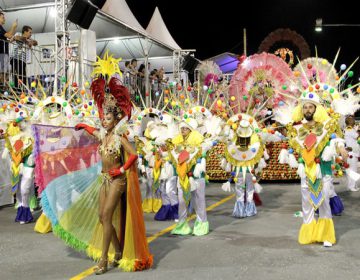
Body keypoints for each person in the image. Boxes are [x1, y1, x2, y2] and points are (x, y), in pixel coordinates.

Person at [41, 53, 152, 274]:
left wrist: (120, 169)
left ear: (116, 119)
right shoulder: (103, 135)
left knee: (107, 215)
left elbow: (134, 156)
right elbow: (93, 131)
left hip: (117, 180)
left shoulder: (120, 137)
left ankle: (104, 260)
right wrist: (83, 125)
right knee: (102, 218)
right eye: (103, 118)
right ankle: (118, 251)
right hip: (103, 179)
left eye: (108, 118)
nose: (104, 121)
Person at [286, 92, 348, 247]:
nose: (307, 110)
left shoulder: (326, 126)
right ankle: (309, 234)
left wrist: (341, 148)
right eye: (305, 107)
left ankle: (326, 235)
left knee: (324, 202)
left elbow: (336, 139)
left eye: (310, 107)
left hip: (323, 170)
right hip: (306, 171)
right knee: (306, 203)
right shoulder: (297, 129)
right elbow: (293, 146)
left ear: (316, 109)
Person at [10, 25, 38, 89]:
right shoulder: (19, 34)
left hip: (23, 60)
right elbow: (17, 38)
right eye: (30, 32)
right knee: (16, 76)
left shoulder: (29, 39)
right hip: (15, 58)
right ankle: (17, 91)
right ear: (25, 32)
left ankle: (23, 90)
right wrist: (26, 40)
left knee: (23, 76)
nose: (31, 34)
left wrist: (32, 41)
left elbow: (36, 43)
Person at [0, 12, 17, 84]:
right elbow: (9, 35)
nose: (4, 19)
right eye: (2, 17)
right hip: (1, 53)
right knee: (3, 73)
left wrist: (10, 40)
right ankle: (3, 88)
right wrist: (13, 26)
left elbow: (7, 37)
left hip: (4, 53)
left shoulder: (1, 28)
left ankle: (4, 87)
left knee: (5, 72)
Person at [344, 115, 360, 191]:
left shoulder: (347, 129)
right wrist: (356, 129)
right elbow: (356, 136)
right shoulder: (350, 130)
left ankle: (353, 185)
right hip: (351, 152)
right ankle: (351, 186)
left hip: (352, 152)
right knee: (352, 170)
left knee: (353, 169)